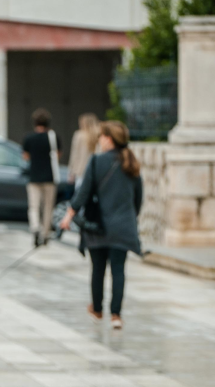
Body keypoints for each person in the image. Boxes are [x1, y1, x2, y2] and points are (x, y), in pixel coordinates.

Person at [58, 120, 143, 330]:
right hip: (123, 226)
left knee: (98, 269)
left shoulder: (97, 161)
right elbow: (138, 199)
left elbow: (83, 193)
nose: (99, 140)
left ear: (109, 139)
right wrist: (130, 219)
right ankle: (116, 315)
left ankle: (97, 310)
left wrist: (68, 217)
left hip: (99, 226)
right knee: (118, 271)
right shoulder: (131, 162)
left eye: (102, 137)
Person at [21, 109, 59, 247]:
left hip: (34, 177)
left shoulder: (29, 138)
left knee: (34, 206)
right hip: (50, 177)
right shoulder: (53, 137)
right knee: (48, 207)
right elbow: (57, 155)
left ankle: (35, 228)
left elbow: (25, 156)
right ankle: (45, 233)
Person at [68, 113, 101, 184]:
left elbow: (75, 155)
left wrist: (71, 171)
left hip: (81, 170)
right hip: (97, 170)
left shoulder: (79, 135)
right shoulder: (99, 135)